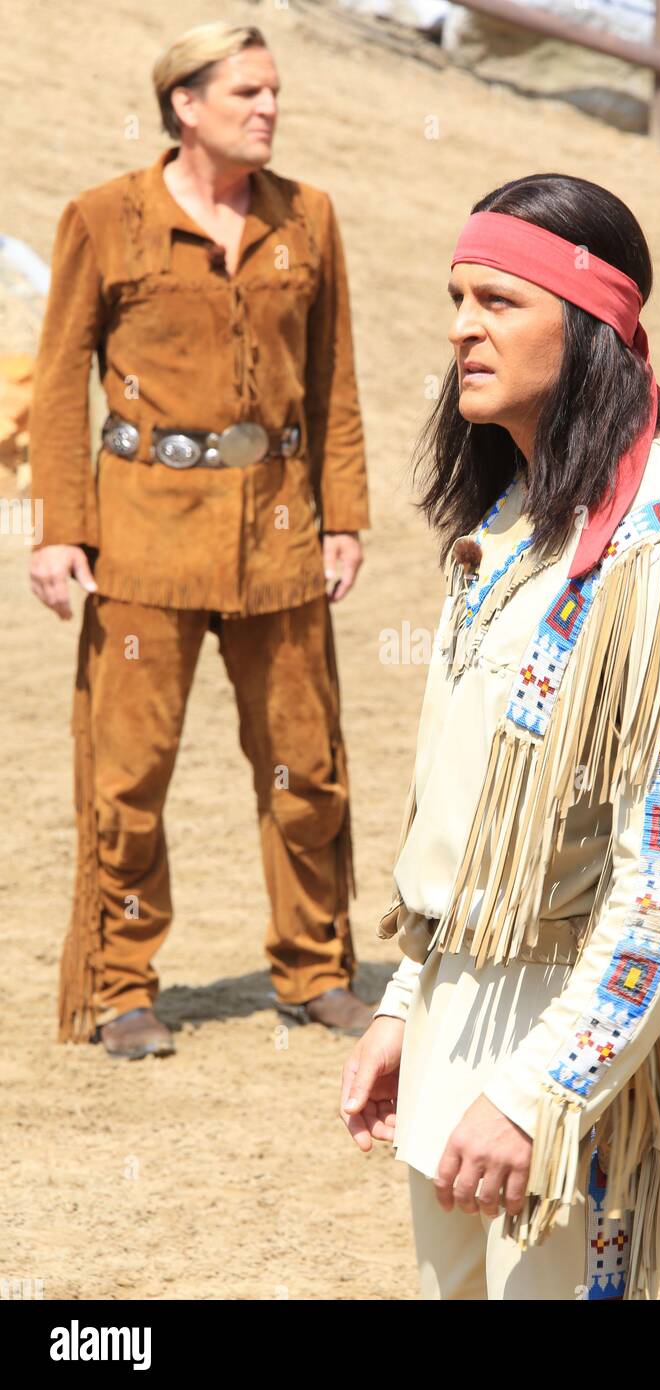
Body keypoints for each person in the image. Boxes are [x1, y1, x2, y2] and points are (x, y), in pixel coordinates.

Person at [339, 174, 660, 1300]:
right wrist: (406, 1002)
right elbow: (465, 812)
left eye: (498, 300)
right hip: (459, 1013)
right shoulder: (518, 520)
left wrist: (542, 1090)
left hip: (570, 1042)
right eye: (455, 297)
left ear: (587, 328)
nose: (460, 328)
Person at [28, 21, 375, 1057]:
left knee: (303, 768)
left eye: (273, 93)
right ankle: (125, 986)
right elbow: (55, 387)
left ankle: (315, 972)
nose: (268, 109)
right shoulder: (103, 218)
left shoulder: (308, 217)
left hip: (278, 536)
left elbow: (335, 378)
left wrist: (343, 514)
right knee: (128, 772)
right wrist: (60, 531)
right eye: (247, 94)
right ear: (185, 105)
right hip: (142, 535)